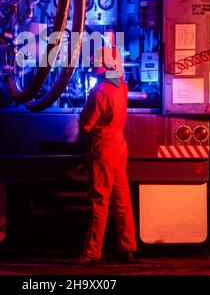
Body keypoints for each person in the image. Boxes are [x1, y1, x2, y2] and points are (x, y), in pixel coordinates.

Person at [73, 46, 137, 265]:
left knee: (100, 200)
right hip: (120, 146)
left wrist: (80, 118)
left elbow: (86, 125)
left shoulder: (100, 91)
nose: (92, 66)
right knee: (122, 199)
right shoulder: (122, 85)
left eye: (95, 63)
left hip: (104, 149)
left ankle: (92, 252)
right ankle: (127, 248)